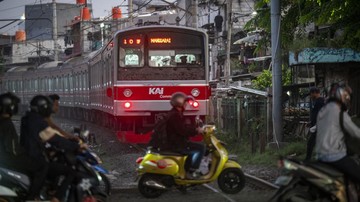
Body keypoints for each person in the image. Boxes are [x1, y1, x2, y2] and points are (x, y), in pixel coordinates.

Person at [20, 95, 86, 202]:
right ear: (44, 108)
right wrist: (76, 146)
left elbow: (51, 134)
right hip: (34, 159)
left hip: (27, 157)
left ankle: (50, 190)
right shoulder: (38, 122)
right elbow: (54, 138)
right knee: (70, 171)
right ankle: (54, 198)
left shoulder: (28, 118)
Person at [0, 92, 48, 201]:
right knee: (42, 166)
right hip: (10, 158)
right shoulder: (7, 123)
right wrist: (23, 152)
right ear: (10, 107)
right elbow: (12, 149)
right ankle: (32, 197)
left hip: (4, 158)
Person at [316, 83, 360, 182]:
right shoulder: (339, 112)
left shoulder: (322, 110)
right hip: (335, 156)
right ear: (344, 97)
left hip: (320, 155)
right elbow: (355, 132)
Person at [166, 92, 205, 178]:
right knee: (200, 148)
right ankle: (192, 171)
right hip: (176, 144)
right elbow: (182, 130)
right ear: (180, 103)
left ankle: (187, 170)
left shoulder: (175, 113)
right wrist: (196, 131)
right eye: (185, 102)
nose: (187, 104)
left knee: (193, 148)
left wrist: (194, 127)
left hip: (175, 142)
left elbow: (183, 127)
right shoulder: (175, 115)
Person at [305, 87, 325, 161]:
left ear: (314, 93)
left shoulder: (320, 102)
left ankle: (307, 160)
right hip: (317, 125)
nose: (310, 96)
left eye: (310, 94)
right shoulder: (317, 101)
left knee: (310, 143)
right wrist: (311, 122)